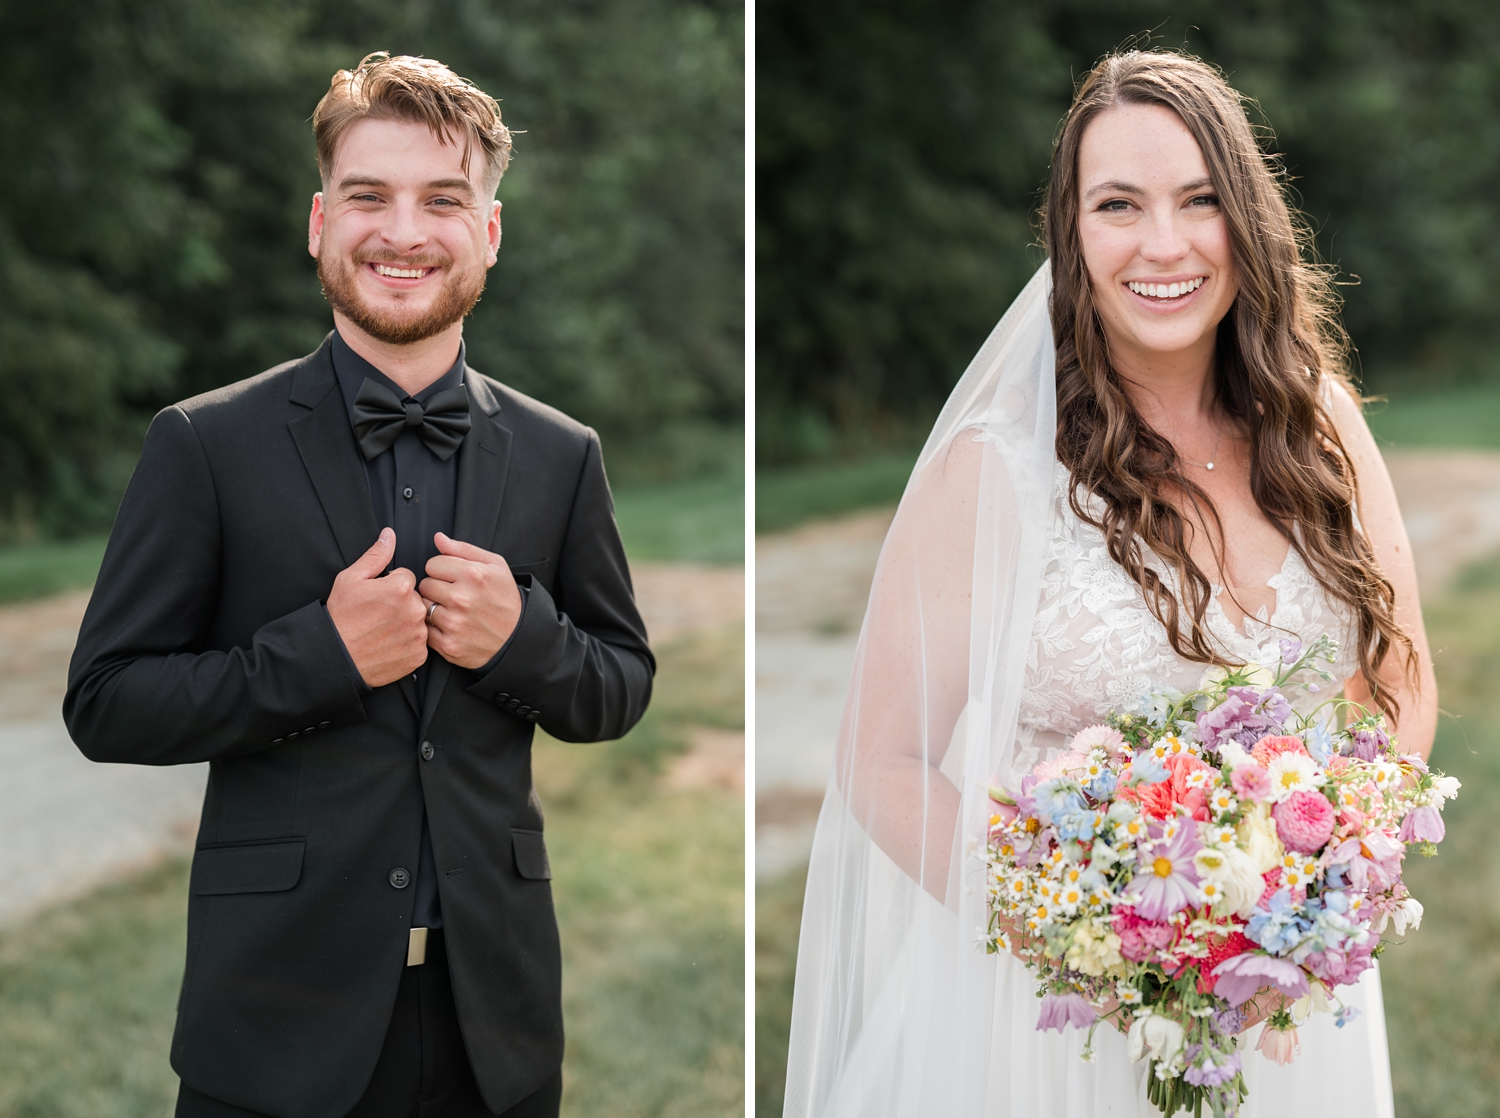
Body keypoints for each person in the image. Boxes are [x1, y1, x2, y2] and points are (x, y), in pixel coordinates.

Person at [782, 50, 1434, 1117]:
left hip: (1287, 1004)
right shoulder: (997, 472)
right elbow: (882, 756)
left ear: (1247, 221)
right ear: (1072, 235)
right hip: (1056, 1024)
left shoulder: (1322, 429)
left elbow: (1399, 677)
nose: (1164, 244)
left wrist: (1327, 890)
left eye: (1199, 200)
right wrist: (1093, 937)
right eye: (1119, 204)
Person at [64, 52, 654, 1118]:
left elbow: (621, 682)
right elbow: (105, 700)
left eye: (443, 199)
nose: (403, 232)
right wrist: (318, 658)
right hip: (274, 1027)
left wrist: (524, 640)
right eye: (367, 196)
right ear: (318, 221)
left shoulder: (564, 453)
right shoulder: (204, 444)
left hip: (499, 1031)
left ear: (490, 230)